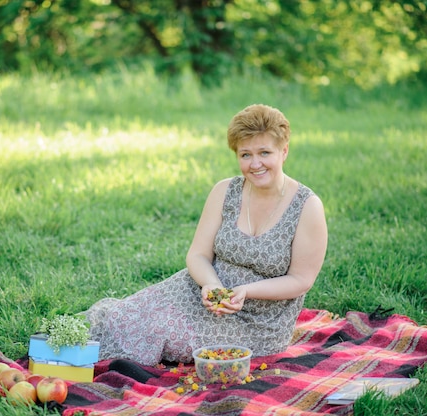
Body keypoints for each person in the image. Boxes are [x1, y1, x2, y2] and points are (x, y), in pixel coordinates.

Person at [84, 104, 328, 366]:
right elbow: (198, 254)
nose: (255, 164)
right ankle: (70, 351)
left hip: (259, 321)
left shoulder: (307, 206)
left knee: (163, 334)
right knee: (122, 317)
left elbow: (301, 279)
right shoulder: (225, 191)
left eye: (264, 153)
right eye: (245, 155)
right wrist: (211, 285)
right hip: (201, 290)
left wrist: (245, 291)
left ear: (284, 151)